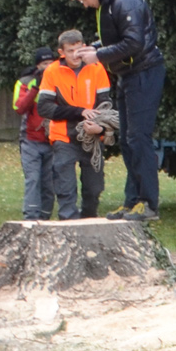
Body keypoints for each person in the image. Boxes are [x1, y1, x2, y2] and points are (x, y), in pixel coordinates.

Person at [68, 0, 164, 221]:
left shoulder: (125, 1)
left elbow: (135, 43)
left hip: (144, 73)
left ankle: (148, 204)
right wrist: (94, 47)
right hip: (127, 75)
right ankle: (132, 202)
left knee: (138, 138)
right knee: (128, 140)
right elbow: (117, 38)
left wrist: (97, 56)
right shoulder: (110, 4)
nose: (85, 4)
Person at [33, 32, 113, 222]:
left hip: (92, 137)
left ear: (85, 46)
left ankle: (89, 222)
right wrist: (80, 112)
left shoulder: (97, 68)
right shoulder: (52, 71)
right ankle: (68, 224)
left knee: (94, 190)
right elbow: (44, 107)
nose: (76, 55)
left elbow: (106, 105)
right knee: (65, 188)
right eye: (71, 51)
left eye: (79, 49)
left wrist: (100, 127)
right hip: (64, 137)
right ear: (61, 52)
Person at [12, 48, 56, 221]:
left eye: (50, 63)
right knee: (33, 180)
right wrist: (35, 87)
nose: (48, 67)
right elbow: (19, 107)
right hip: (30, 140)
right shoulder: (26, 82)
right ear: (38, 65)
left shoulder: (59, 80)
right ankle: (30, 218)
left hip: (53, 140)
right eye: (44, 64)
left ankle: (45, 218)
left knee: (49, 183)